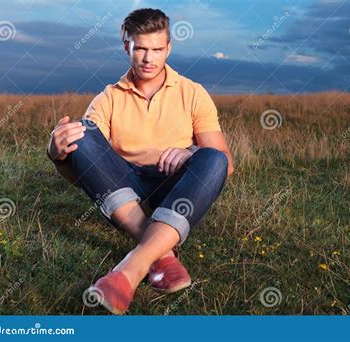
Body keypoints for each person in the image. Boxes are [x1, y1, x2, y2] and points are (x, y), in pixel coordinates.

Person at [46, 8, 234, 314]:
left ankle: (129, 271)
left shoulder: (194, 93)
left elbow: (225, 162)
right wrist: (57, 156)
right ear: (126, 47)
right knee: (82, 133)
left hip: (176, 192)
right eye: (141, 48)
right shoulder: (107, 99)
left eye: (158, 49)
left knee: (212, 157)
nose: (149, 58)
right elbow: (89, 170)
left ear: (169, 48)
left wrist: (191, 153)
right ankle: (162, 256)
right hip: (126, 194)